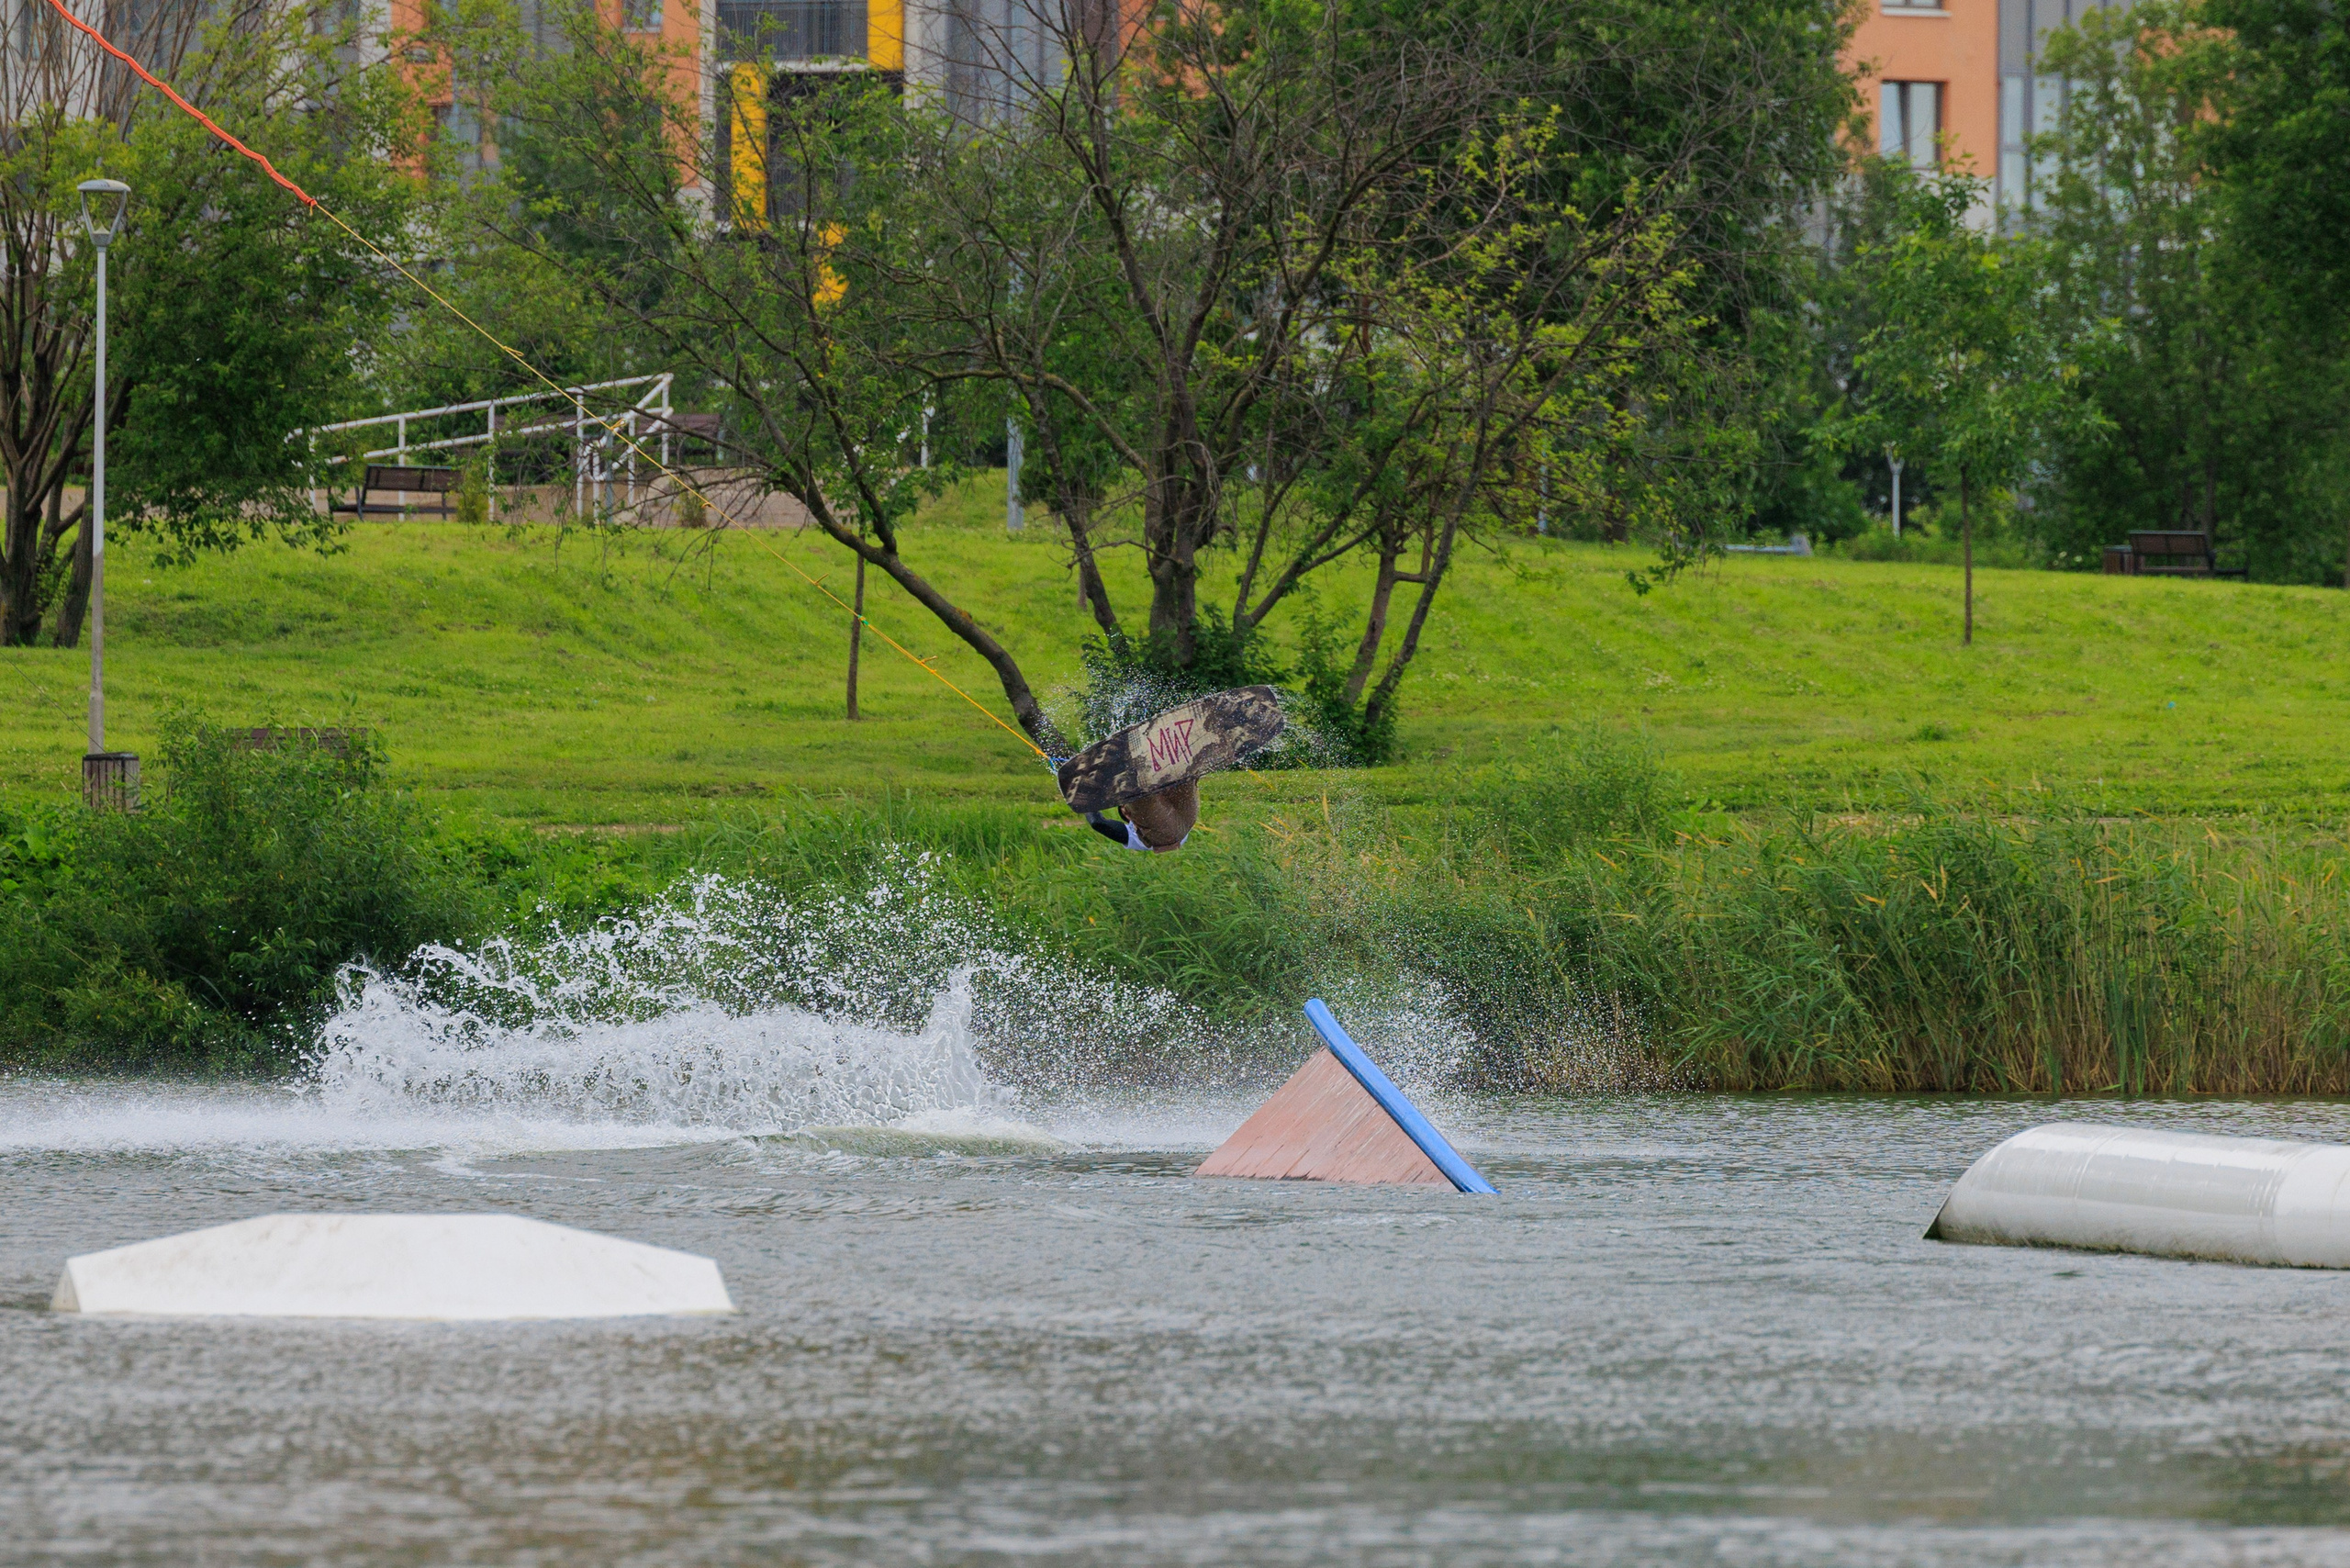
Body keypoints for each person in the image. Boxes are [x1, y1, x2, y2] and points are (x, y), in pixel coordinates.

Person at [1085, 779, 1198, 853]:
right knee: (1184, 777)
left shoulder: (1134, 836)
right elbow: (1098, 823)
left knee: (1185, 779)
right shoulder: (1134, 834)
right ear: (1129, 816)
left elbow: (1097, 823)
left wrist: (1085, 795)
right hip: (1182, 823)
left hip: (1184, 822)